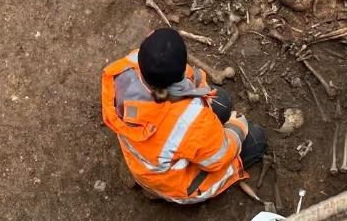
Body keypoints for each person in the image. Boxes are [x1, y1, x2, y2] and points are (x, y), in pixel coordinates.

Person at [101, 28, 267, 204]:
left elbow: (190, 78)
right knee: (256, 138)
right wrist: (237, 127)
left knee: (221, 101)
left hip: (145, 157)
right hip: (174, 182)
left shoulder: (128, 66)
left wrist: (201, 93)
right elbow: (219, 158)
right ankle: (157, 192)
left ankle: (147, 181)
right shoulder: (187, 121)